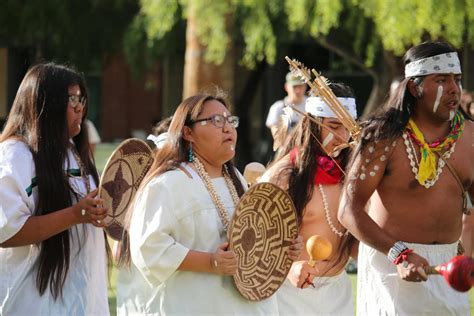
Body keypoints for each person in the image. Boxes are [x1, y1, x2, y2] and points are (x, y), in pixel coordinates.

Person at [116, 93, 303, 314]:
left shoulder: (235, 177)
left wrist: (281, 245)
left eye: (230, 120)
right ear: (187, 132)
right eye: (216, 121)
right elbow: (149, 247)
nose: (228, 128)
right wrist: (210, 262)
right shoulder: (168, 184)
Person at [338, 41, 473, 315]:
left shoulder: (470, 137)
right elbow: (348, 210)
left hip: (449, 266)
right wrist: (399, 254)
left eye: (456, 80)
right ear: (415, 87)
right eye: (441, 80)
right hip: (390, 268)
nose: (453, 89)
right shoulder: (383, 138)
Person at [0, 63, 109, 314]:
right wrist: (75, 214)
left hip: (84, 301)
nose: (80, 106)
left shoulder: (75, 152)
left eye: (81, 97)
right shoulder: (15, 155)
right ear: (43, 102)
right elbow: (7, 230)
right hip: (34, 304)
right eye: (71, 99)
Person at [260, 82, 358, 315]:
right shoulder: (284, 174)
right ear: (312, 124)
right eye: (334, 126)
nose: (342, 137)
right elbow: (254, 239)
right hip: (289, 293)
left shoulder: (354, 172)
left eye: (348, 128)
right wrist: (289, 268)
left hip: (338, 291)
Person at [266, 72, 307, 146]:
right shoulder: (278, 108)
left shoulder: (312, 106)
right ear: (286, 87)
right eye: (294, 86)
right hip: (286, 152)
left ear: (305, 86)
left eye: (300, 86)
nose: (298, 90)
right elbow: (278, 138)